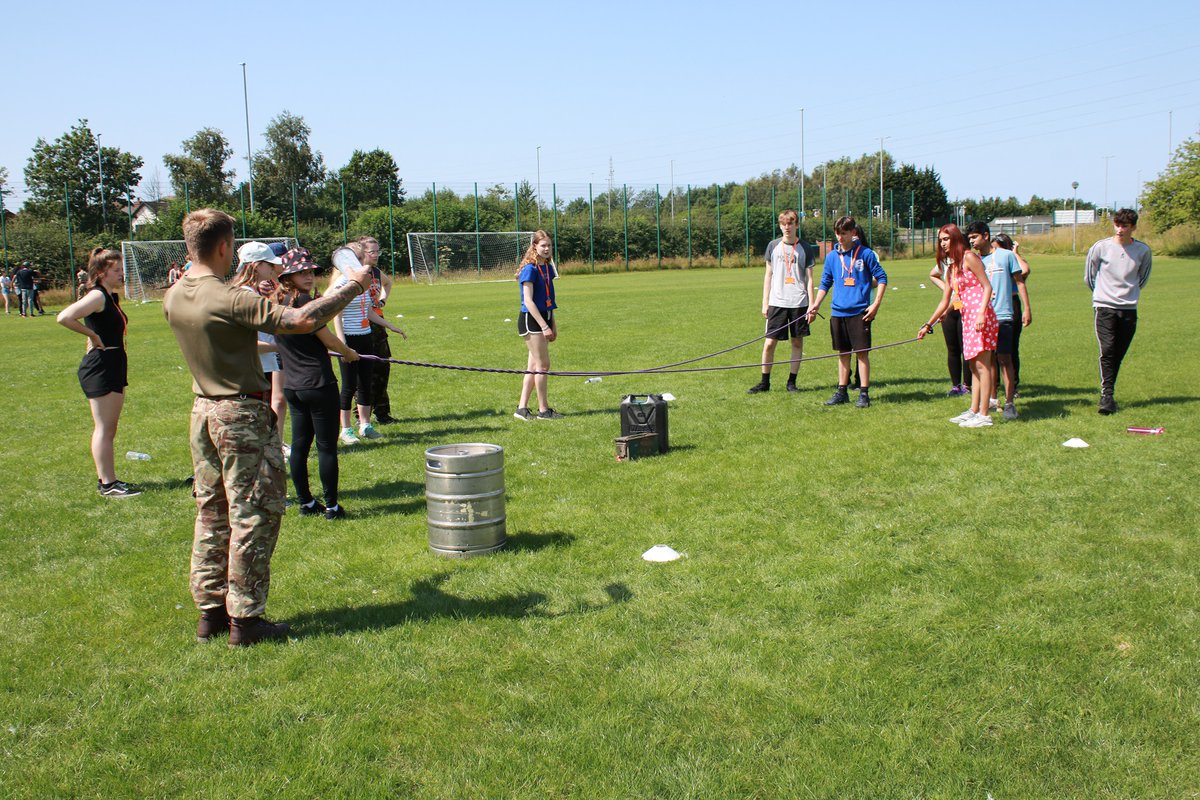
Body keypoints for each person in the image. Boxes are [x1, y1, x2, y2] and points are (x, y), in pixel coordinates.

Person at [164, 208, 374, 647]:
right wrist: (355, 284)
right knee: (253, 513)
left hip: (202, 411)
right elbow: (301, 321)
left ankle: (210, 612)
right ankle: (246, 618)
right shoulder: (226, 297)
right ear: (225, 247)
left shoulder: (175, 295)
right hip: (239, 414)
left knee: (212, 511)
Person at [273, 248, 360, 520]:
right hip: (318, 384)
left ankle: (307, 503)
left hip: (293, 386)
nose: (309, 276)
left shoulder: (276, 302)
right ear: (288, 276)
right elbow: (329, 340)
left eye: (311, 271)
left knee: (299, 446)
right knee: (326, 447)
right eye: (302, 272)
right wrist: (348, 353)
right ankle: (332, 507)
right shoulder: (304, 303)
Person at [56, 247, 141, 498]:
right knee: (104, 428)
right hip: (101, 366)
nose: (121, 274)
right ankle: (108, 484)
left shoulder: (110, 296)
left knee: (109, 428)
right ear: (102, 272)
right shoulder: (97, 296)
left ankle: (108, 479)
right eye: (117, 270)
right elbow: (65, 317)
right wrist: (92, 335)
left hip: (113, 362)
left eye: (122, 270)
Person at [917, 224, 997, 428]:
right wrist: (929, 323)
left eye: (946, 239)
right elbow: (947, 300)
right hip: (967, 317)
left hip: (980, 317)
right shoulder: (952, 268)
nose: (943, 243)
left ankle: (984, 415)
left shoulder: (970, 257)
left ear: (955, 238)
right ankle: (974, 410)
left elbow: (987, 287)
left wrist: (981, 313)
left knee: (982, 365)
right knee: (973, 365)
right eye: (940, 240)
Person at [805, 216, 887, 408]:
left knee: (862, 353)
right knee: (843, 353)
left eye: (844, 233)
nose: (840, 237)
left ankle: (864, 393)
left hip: (859, 312)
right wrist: (815, 304)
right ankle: (842, 392)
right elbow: (825, 282)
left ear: (853, 233)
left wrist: (875, 304)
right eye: (837, 233)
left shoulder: (865, 254)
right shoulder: (832, 257)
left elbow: (882, 278)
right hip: (838, 312)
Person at [329, 241, 406, 444]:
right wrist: (343, 346)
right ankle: (346, 430)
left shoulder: (362, 283)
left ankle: (365, 425)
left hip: (365, 336)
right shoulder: (342, 284)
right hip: (349, 338)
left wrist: (390, 326)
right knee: (349, 386)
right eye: (357, 258)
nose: (361, 261)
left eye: (360, 258)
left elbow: (368, 311)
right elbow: (336, 316)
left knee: (365, 384)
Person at [1085, 208, 1152, 415]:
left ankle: (1108, 392)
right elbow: (1089, 276)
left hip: (1128, 308)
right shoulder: (1100, 247)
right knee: (1107, 350)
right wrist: (1102, 295)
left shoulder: (1143, 251)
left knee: (1118, 353)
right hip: (1104, 306)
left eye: (1124, 226)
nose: (1120, 229)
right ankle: (1107, 396)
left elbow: (1142, 278)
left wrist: (1128, 295)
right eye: (1117, 225)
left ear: (1133, 227)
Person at [966, 222, 1032, 420]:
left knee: (1005, 358)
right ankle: (991, 400)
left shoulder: (1006, 256)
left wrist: (1027, 309)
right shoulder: (974, 260)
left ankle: (1010, 402)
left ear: (986, 235)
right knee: (987, 361)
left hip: (1003, 314)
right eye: (969, 238)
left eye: (974, 237)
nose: (972, 241)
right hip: (983, 317)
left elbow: (1020, 282)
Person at [747, 210, 814, 394]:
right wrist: (765, 302)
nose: (787, 227)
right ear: (780, 225)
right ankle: (764, 383)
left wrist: (812, 305)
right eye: (783, 224)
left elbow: (810, 279)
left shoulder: (805, 248)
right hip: (777, 302)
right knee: (769, 343)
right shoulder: (773, 246)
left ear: (796, 225)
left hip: (799, 303)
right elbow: (768, 275)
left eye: (790, 223)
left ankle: (792, 382)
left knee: (797, 343)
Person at [231, 242, 289, 451]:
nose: (273, 268)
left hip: (260, 367)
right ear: (256, 266)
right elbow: (245, 343)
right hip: (254, 371)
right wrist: (281, 348)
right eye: (269, 264)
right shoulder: (246, 297)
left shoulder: (248, 293)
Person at [513, 230, 563, 420]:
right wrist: (544, 326)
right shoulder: (530, 269)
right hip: (532, 319)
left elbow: (548, 299)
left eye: (549, 245)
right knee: (543, 365)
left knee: (533, 366)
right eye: (543, 245)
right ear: (534, 246)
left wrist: (552, 324)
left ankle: (521, 409)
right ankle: (543, 410)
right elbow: (528, 301)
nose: (547, 249)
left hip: (545, 316)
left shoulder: (548, 268)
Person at [360, 236, 403, 425]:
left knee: (383, 367)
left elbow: (388, 283)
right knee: (364, 371)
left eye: (378, 251)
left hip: (378, 323)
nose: (376, 255)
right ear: (362, 252)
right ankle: (361, 415)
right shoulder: (355, 272)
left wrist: (382, 300)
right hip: (361, 325)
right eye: (372, 252)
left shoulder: (376, 272)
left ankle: (382, 413)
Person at [991, 234, 1032, 396]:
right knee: (992, 351)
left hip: (1011, 303)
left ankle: (1013, 386)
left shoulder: (1011, 259)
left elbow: (1025, 271)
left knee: (1011, 348)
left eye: (997, 248)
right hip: (994, 305)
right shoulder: (991, 261)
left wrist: (1014, 253)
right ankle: (994, 386)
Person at [928, 255, 970, 396]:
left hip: (965, 306)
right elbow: (933, 275)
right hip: (950, 307)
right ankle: (956, 386)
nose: (943, 245)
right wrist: (947, 288)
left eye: (946, 243)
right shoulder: (945, 262)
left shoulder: (968, 259)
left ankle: (968, 385)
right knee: (952, 349)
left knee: (966, 349)